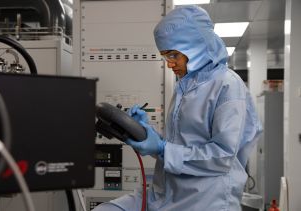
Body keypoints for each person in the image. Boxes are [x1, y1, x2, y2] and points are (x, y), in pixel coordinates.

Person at [93, 5, 262, 211]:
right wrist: (147, 134)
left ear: (197, 46)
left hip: (204, 201)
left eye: (174, 55)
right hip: (166, 194)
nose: (169, 64)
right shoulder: (185, 87)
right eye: (165, 56)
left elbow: (222, 157)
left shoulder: (227, 85)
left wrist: (162, 148)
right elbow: (178, 147)